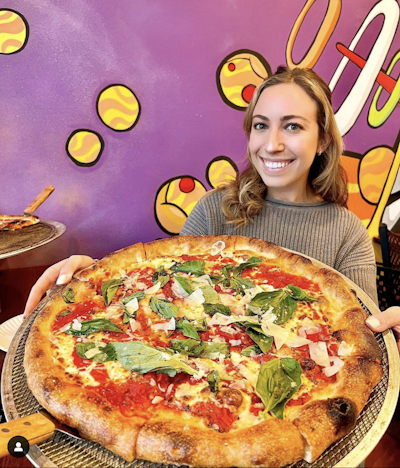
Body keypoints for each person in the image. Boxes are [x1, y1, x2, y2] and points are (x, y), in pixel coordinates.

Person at [23, 67, 400, 350]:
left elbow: (363, 339)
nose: (271, 144)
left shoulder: (347, 233)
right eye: (260, 126)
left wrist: (392, 332)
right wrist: (98, 280)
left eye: (293, 127)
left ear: (322, 141)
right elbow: (165, 294)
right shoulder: (214, 211)